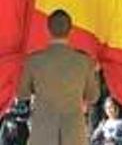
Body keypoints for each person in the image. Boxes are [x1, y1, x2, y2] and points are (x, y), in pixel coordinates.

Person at [17, 10, 100, 145]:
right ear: (71, 30)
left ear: (47, 29)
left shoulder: (33, 61)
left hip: (43, 134)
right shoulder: (84, 61)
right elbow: (93, 97)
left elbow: (22, 93)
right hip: (74, 135)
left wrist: (37, 88)